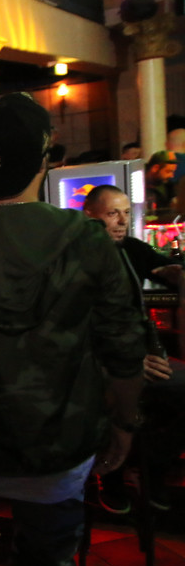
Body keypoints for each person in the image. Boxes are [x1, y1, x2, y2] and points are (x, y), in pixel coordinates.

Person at [0, 93, 145, 566]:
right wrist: (125, 423)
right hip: (59, 444)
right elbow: (124, 346)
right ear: (44, 158)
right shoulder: (85, 239)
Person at [82, 184, 185, 512]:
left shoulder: (129, 249)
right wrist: (128, 362)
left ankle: (151, 468)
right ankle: (111, 474)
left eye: (126, 213)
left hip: (136, 356)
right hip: (98, 363)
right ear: (89, 215)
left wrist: (175, 273)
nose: (122, 220)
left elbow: (164, 269)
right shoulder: (77, 258)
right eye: (113, 213)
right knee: (111, 397)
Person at [145, 150, 177, 221]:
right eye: (168, 171)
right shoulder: (137, 183)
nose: (172, 176)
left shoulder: (168, 186)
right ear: (155, 168)